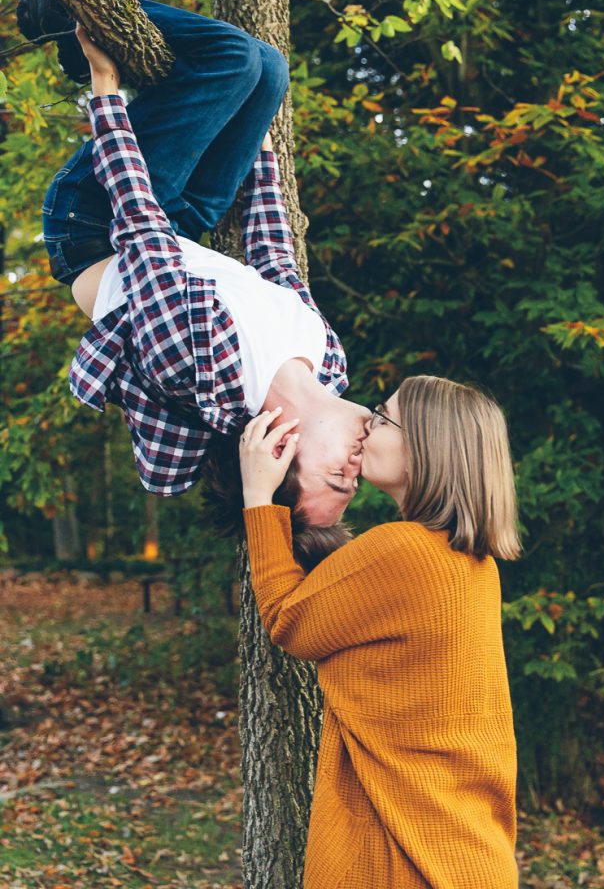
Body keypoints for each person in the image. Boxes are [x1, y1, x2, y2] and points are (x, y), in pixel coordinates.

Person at [30, 0, 369, 535]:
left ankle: (66, 15)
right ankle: (78, 13)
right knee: (269, 71)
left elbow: (139, 230)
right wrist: (257, 146)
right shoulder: (330, 365)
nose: (357, 471)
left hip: (97, 222)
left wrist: (105, 96)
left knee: (232, 61)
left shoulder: (204, 373)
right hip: (178, 221)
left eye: (337, 479)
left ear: (278, 450)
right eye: (354, 485)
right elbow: (274, 260)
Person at [238, 375, 522, 889]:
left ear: (426, 450)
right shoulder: (473, 565)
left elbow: (288, 619)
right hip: (467, 852)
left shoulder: (403, 551)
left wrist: (259, 496)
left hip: (403, 853)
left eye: (384, 417)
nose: (367, 424)